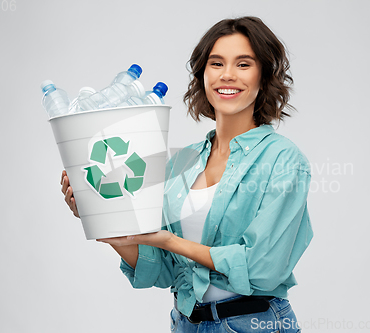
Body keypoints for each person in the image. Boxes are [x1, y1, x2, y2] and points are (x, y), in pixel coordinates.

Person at [61, 16, 312, 333]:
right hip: (187, 324)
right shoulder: (183, 161)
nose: (227, 75)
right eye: (216, 63)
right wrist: (102, 221)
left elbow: (263, 267)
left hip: (253, 324)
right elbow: (162, 271)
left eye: (243, 64)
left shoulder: (283, 160)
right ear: (202, 74)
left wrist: (170, 241)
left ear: (264, 76)